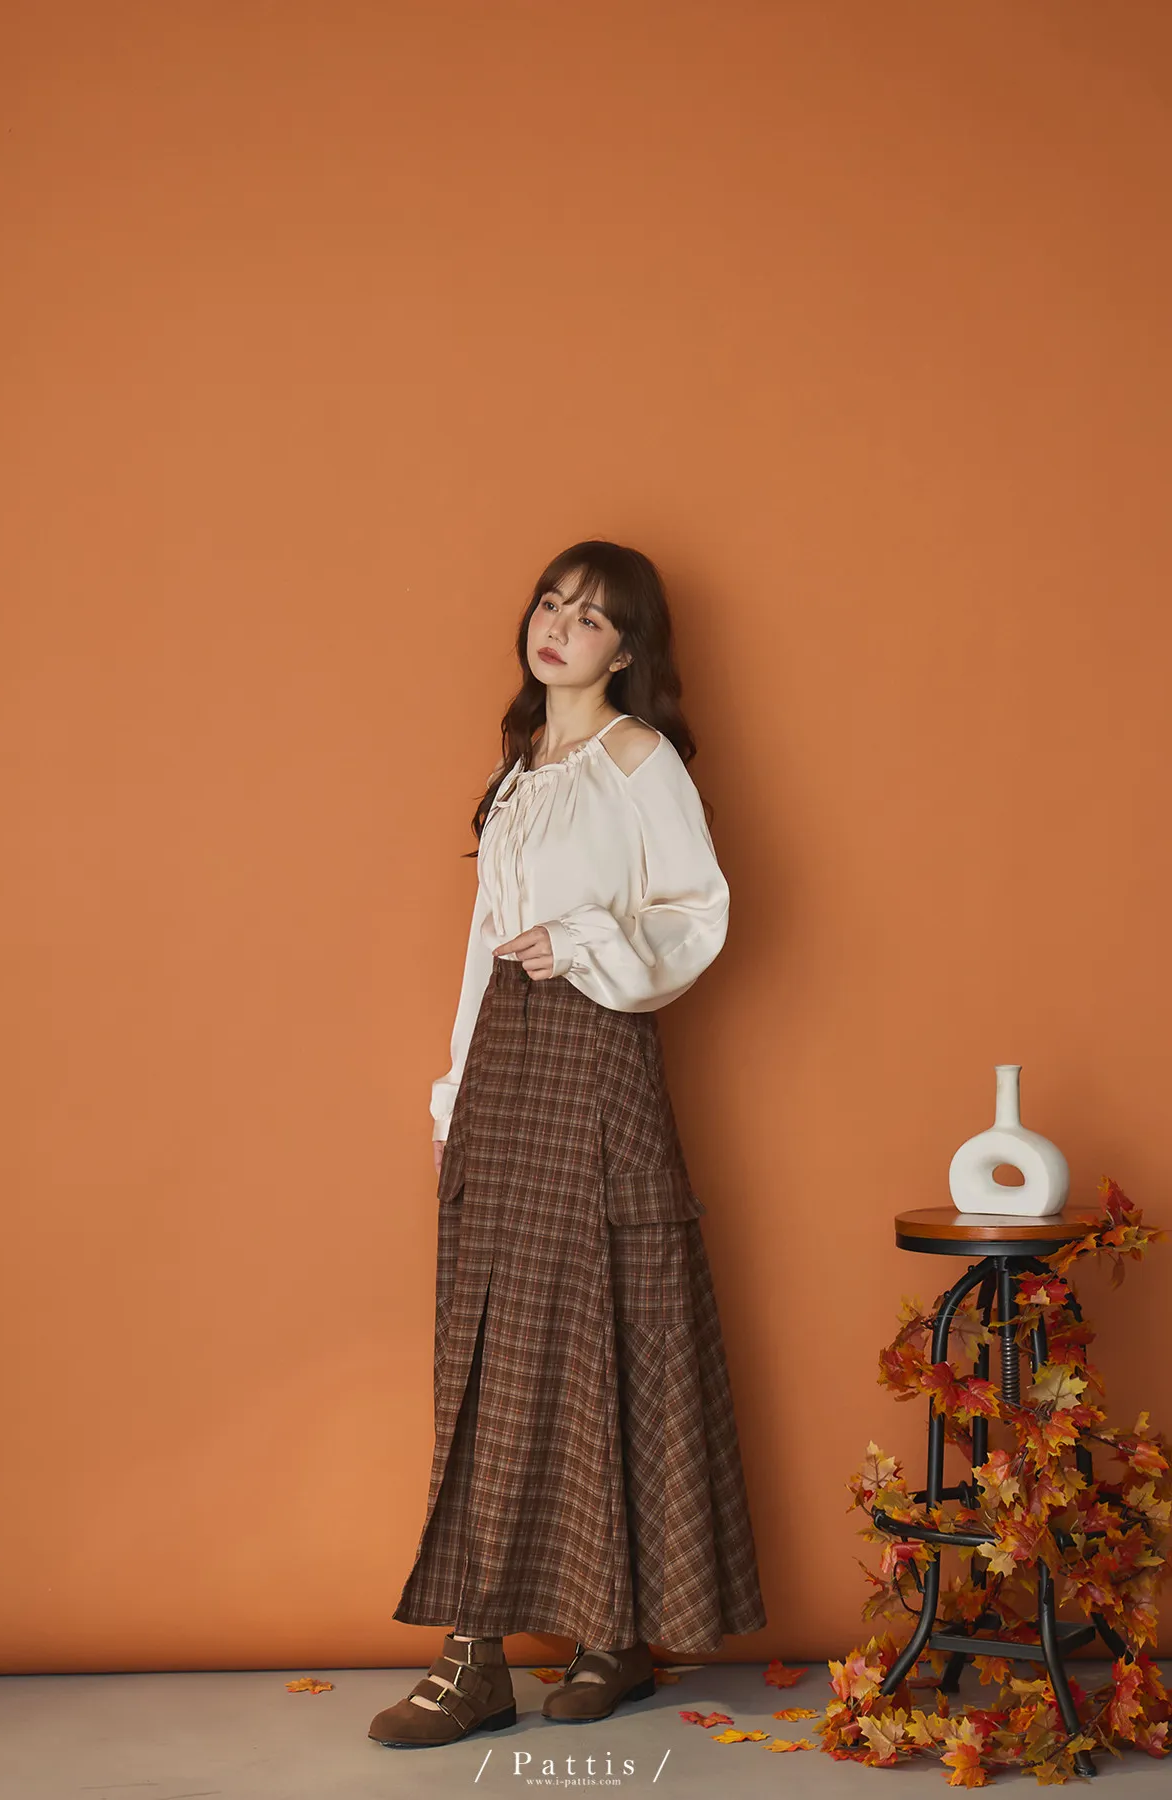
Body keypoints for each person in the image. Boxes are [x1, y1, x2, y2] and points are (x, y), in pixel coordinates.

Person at [369, 540, 766, 1750]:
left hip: (597, 1054)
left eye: (592, 617)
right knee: (489, 1352)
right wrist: (452, 1099)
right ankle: (486, 1656)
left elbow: (700, 908)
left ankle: (604, 1636)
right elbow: (481, 946)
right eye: (552, 603)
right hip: (506, 1064)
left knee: (604, 1329)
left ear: (628, 648)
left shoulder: (639, 758)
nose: (560, 627)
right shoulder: (518, 772)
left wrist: (588, 940)